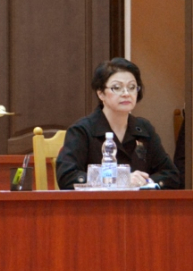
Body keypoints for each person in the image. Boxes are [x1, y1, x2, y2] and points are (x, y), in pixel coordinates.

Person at [56, 57, 181, 189]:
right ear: (101, 93)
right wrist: (121, 179)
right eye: (117, 87)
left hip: (139, 202)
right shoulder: (82, 130)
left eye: (132, 87)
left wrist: (145, 181)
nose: (126, 93)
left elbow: (171, 175)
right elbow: (67, 177)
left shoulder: (144, 129)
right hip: (98, 202)